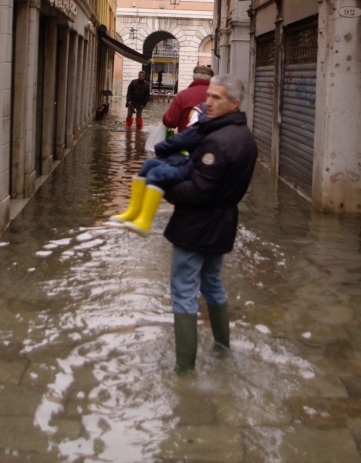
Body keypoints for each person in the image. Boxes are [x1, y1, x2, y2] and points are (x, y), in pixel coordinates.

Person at [164, 74, 256, 374]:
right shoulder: (245, 137)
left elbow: (199, 190)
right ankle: (222, 349)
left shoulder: (217, 141)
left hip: (196, 227)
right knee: (212, 282)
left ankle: (184, 371)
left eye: (216, 97)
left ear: (234, 104)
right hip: (223, 224)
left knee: (183, 290)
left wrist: (166, 187)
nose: (209, 101)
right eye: (209, 95)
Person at [109, 105, 207, 235]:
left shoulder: (200, 126)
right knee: (148, 164)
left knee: (157, 174)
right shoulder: (204, 120)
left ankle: (144, 220)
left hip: (194, 167)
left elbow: (176, 138)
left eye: (190, 120)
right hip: (189, 161)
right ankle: (133, 211)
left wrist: (160, 149)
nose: (188, 124)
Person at [162, 65, 214, 133]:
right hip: (212, 138)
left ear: (194, 78)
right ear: (211, 79)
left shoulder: (182, 95)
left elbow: (170, 121)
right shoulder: (218, 96)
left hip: (187, 137)